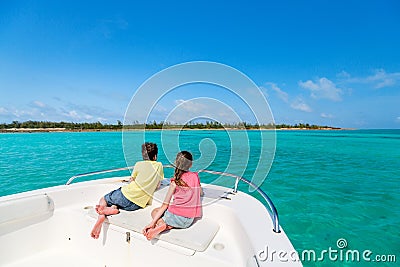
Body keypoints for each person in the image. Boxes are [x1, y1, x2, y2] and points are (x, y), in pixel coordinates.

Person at [91, 142, 164, 239]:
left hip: (126, 195)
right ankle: (113, 208)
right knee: (116, 203)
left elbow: (132, 180)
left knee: (103, 199)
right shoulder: (159, 166)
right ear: (155, 156)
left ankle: (102, 215)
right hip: (136, 205)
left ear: (143, 155)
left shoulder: (138, 164)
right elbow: (158, 184)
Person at [143, 151, 203, 240]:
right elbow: (200, 193)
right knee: (173, 215)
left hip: (175, 216)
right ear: (190, 164)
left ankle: (161, 224)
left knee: (155, 211)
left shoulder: (174, 182)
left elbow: (165, 205)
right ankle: (166, 226)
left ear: (176, 163)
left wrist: (152, 223)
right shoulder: (195, 176)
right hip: (188, 220)